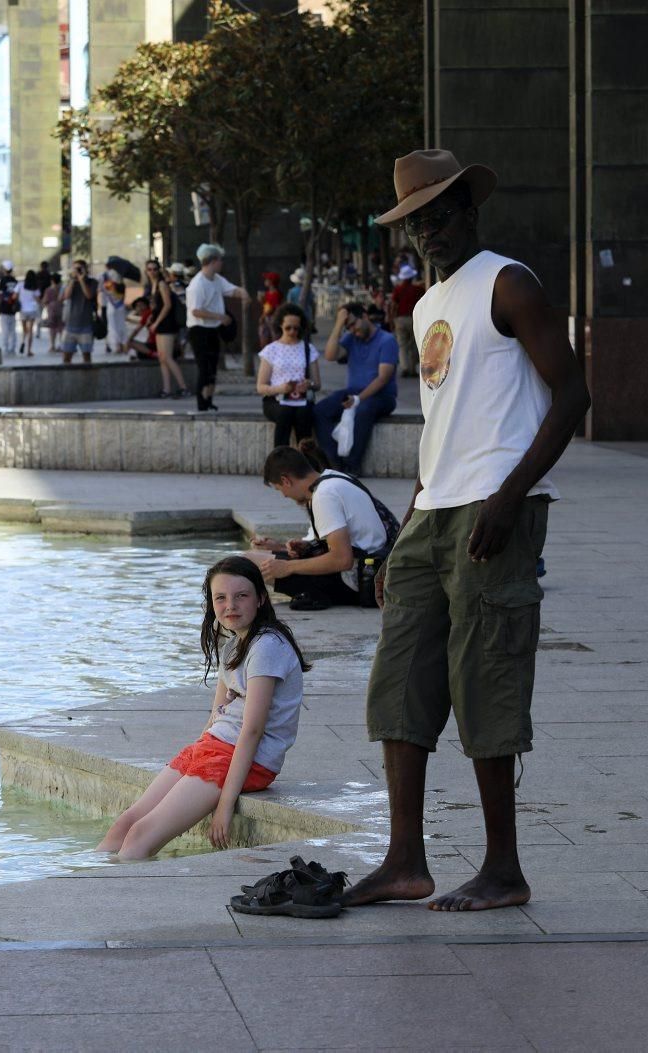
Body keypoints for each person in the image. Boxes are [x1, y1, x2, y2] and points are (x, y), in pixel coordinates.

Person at [340, 148, 590, 914]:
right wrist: (408, 526)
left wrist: (511, 496)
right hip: (435, 510)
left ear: (468, 211)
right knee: (399, 682)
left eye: (439, 217)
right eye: (416, 224)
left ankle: (503, 868)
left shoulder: (509, 283)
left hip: (496, 509)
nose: (429, 234)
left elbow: (574, 394)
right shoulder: (423, 306)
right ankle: (405, 860)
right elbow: (442, 424)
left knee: (486, 682)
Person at [95, 556, 309, 858]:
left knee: (141, 835)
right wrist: (193, 757)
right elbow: (216, 715)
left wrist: (224, 805)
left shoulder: (268, 646)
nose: (230, 605)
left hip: (248, 758)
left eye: (241, 596)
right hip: (215, 747)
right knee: (125, 824)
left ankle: (117, 897)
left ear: (261, 598)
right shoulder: (234, 644)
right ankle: (86, 884)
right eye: (220, 598)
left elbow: (252, 730)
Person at [250, 442, 393, 611]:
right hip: (372, 568)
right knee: (257, 554)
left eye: (279, 489)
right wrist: (281, 546)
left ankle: (317, 595)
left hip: (358, 582)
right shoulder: (334, 479)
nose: (284, 495)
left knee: (250, 562)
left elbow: (342, 559)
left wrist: (287, 567)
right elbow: (343, 542)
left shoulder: (324, 496)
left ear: (285, 480)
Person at [313, 302, 399, 475]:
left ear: (365, 317)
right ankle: (334, 463)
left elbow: (383, 378)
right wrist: (338, 325)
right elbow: (330, 355)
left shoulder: (387, 340)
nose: (352, 329)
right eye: (348, 327)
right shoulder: (351, 338)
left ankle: (352, 465)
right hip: (352, 392)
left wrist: (358, 399)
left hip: (381, 396)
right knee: (319, 411)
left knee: (363, 410)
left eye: (353, 324)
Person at [185, 244, 251, 412]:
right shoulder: (197, 284)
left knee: (212, 367)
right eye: (220, 260)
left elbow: (231, 290)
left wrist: (243, 293)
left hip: (213, 329)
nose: (222, 263)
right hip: (199, 330)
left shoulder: (216, 279)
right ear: (213, 261)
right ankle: (202, 403)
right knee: (204, 367)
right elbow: (196, 311)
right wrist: (220, 317)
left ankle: (209, 400)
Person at [256, 303, 321, 447]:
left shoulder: (308, 349)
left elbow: (317, 383)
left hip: (301, 399)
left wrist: (308, 385)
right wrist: (280, 389)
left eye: (296, 328)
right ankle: (281, 459)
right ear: (280, 325)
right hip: (276, 399)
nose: (292, 332)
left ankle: (307, 462)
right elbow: (261, 386)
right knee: (284, 413)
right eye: (288, 328)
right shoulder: (271, 350)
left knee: (303, 415)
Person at [145, 258, 189, 398]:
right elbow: (156, 306)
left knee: (167, 357)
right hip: (159, 322)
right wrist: (152, 318)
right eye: (149, 269)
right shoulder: (152, 285)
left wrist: (156, 322)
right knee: (162, 358)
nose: (152, 272)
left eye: (155, 269)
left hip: (167, 324)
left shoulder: (162, 284)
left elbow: (167, 305)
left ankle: (183, 387)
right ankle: (167, 389)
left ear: (159, 270)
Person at [389, 264, 425, 376]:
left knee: (402, 345)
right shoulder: (417, 289)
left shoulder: (398, 289)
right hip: (414, 319)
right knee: (414, 345)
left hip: (400, 319)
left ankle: (405, 367)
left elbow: (394, 305)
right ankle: (412, 368)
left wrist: (391, 319)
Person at [61, 259, 98, 365]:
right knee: (66, 357)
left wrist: (81, 280)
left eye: (80, 268)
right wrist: (73, 279)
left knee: (86, 356)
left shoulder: (92, 282)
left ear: (85, 269)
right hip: (70, 324)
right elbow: (66, 296)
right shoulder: (70, 282)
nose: (77, 271)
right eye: (75, 268)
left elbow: (89, 295)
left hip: (86, 325)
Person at [98, 270, 128, 355]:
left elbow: (118, 295)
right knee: (114, 326)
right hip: (112, 307)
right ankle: (116, 345)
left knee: (115, 326)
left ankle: (119, 345)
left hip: (114, 308)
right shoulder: (109, 282)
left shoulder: (114, 285)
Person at [15, 269, 41, 356]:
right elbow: (38, 300)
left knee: (24, 330)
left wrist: (20, 298)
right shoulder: (35, 287)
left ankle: (23, 342)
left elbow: (14, 295)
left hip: (23, 310)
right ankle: (29, 350)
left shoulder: (20, 285)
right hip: (32, 310)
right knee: (30, 330)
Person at [0, 260, 19, 357]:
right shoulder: (15, 280)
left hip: (4, 308)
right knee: (13, 330)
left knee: (5, 330)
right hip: (13, 308)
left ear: (5, 269)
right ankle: (12, 348)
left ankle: (5, 348)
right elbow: (17, 295)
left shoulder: (2, 280)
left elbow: (0, 295)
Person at [257, 271, 283, 349]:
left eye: (267, 279)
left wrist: (263, 316)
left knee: (275, 338)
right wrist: (261, 300)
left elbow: (273, 308)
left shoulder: (276, 294)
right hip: (266, 317)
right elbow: (266, 306)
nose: (265, 281)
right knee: (263, 337)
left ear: (271, 282)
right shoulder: (268, 293)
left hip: (272, 317)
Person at [42, 272, 63, 353]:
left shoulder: (49, 290)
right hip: (61, 309)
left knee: (52, 329)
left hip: (51, 310)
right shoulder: (62, 288)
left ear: (52, 280)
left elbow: (44, 300)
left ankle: (52, 346)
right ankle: (61, 345)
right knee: (61, 328)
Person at [34, 260, 52, 340]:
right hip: (48, 299)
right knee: (50, 316)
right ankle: (50, 333)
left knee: (39, 316)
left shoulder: (38, 275)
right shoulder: (49, 275)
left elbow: (35, 287)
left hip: (40, 298)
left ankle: (38, 333)